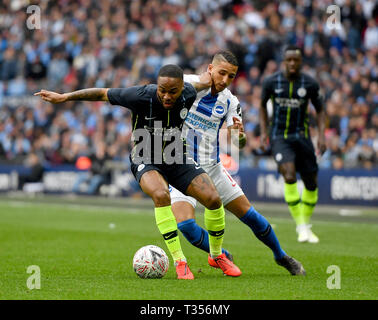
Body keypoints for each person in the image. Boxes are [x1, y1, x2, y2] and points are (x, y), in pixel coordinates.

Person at [35, 64, 241, 279]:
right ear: (157, 85)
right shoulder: (141, 95)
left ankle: (216, 255)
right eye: (162, 90)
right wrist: (64, 97)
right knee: (161, 195)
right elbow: (102, 93)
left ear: (182, 87)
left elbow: (206, 80)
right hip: (145, 157)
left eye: (173, 91)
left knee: (213, 199)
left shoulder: (190, 92)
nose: (167, 96)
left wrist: (218, 75)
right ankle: (180, 261)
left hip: (176, 157)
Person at [169, 51, 306, 276]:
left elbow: (237, 141)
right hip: (181, 168)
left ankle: (281, 256)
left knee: (249, 215)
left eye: (230, 76)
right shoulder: (186, 84)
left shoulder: (231, 102)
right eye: (221, 73)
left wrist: (239, 138)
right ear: (210, 69)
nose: (224, 80)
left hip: (211, 168)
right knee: (185, 225)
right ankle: (221, 254)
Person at [259, 45, 327, 243]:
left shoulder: (310, 83)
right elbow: (262, 105)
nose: (292, 63)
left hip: (302, 137)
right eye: (288, 60)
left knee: (311, 182)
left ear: (300, 62)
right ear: (283, 61)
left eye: (295, 60)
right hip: (280, 136)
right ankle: (302, 226)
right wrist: (264, 132)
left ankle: (304, 224)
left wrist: (322, 136)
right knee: (288, 175)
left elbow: (321, 110)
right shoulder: (271, 82)